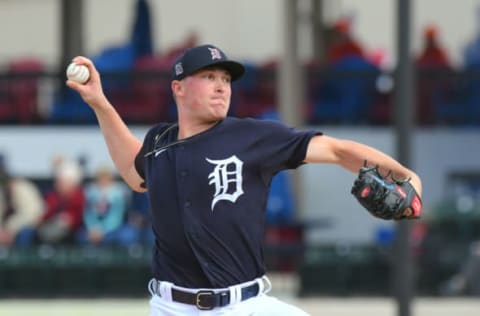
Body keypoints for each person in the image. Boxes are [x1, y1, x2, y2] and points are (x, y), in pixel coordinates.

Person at [67, 44, 422, 315]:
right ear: (178, 88)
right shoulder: (160, 143)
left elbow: (336, 150)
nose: (222, 87)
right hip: (171, 307)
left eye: (225, 79)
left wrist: (407, 177)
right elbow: (134, 173)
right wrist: (100, 103)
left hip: (244, 306)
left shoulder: (251, 137)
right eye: (209, 77)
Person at [77, 165, 138, 246]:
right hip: (93, 230)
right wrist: (93, 229)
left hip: (113, 229)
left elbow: (117, 216)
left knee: (127, 236)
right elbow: (88, 213)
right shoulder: (90, 193)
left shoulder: (118, 194)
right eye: (101, 178)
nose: (103, 180)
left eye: (106, 178)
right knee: (81, 236)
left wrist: (103, 231)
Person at [36, 159, 85, 244]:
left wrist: (68, 218)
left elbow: (79, 215)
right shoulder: (53, 196)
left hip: (73, 229)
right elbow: (46, 212)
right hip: (50, 225)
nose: (59, 184)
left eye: (63, 182)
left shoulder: (79, 197)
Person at [0, 155, 44, 247]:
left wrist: (10, 230)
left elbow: (32, 215)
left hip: (29, 227)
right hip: (7, 231)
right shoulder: (2, 191)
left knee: (25, 234)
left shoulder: (23, 188)